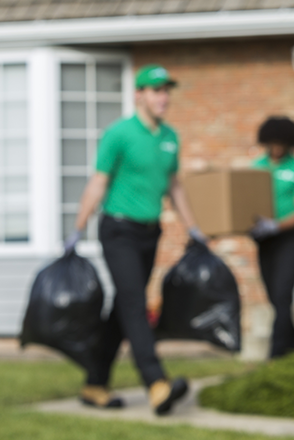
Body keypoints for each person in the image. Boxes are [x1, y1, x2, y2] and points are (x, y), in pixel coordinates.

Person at [64, 64, 206, 415]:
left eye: (166, 90)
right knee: (134, 303)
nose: (163, 97)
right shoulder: (119, 134)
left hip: (149, 230)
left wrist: (193, 228)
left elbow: (174, 185)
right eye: (156, 90)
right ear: (138, 95)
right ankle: (156, 383)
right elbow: (99, 181)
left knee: (122, 309)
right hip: (117, 229)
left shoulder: (170, 137)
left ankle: (95, 384)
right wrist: (78, 228)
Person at [249, 116, 294, 359]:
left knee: (283, 292)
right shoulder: (256, 168)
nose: (276, 148)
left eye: (281, 143)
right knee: (274, 296)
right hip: (264, 239)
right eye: (272, 143)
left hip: (290, 238)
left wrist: (276, 226)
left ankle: (276, 354)